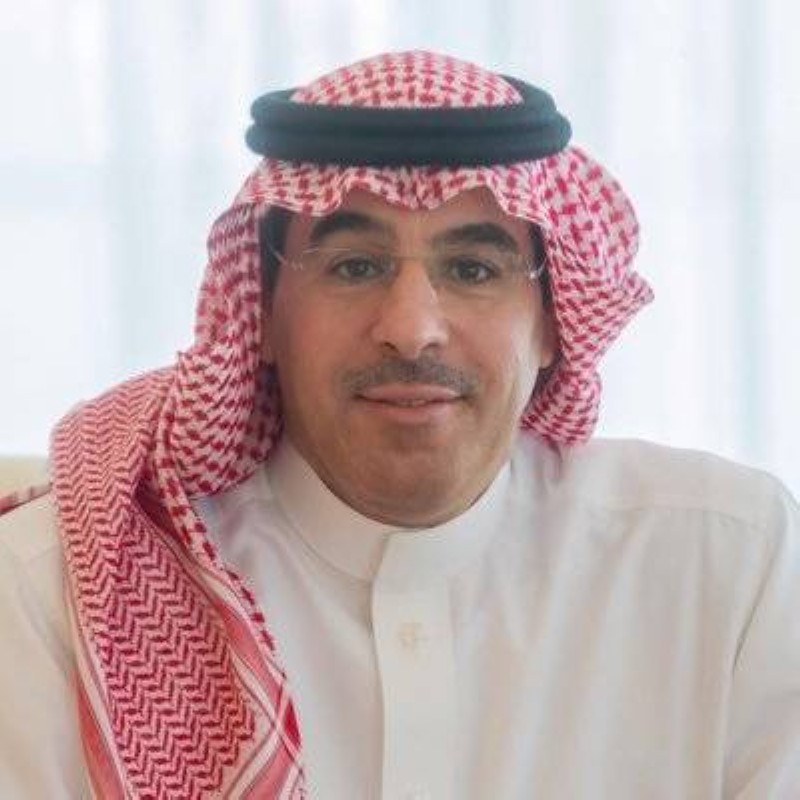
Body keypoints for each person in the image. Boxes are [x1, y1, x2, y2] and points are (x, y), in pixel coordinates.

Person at [0, 50, 798, 800]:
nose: (412, 329)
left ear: (553, 320)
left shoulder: (727, 563)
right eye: (355, 267)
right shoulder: (56, 592)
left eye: (473, 269)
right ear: (264, 313)